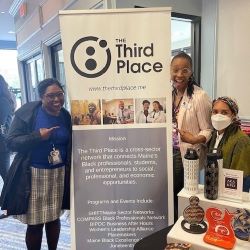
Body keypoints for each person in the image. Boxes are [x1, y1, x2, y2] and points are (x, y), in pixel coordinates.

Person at [0, 78, 72, 250]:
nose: (57, 100)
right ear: (41, 97)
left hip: (59, 174)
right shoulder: (28, 113)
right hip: (34, 175)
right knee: (36, 223)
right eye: (51, 96)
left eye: (60, 95)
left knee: (54, 218)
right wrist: (37, 136)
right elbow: (11, 142)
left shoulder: (64, 115)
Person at [171, 52, 212, 221]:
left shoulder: (199, 96)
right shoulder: (168, 94)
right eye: (175, 70)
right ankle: (172, 226)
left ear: (191, 72)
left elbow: (208, 129)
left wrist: (195, 139)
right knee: (170, 195)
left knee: (181, 195)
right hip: (165, 152)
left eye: (185, 70)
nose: (179, 75)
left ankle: (182, 227)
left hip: (185, 154)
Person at [208, 96, 250, 192]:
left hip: (230, 195)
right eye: (215, 111)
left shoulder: (242, 140)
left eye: (224, 112)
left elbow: (242, 180)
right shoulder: (215, 135)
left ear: (233, 115)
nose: (218, 116)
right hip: (215, 189)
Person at [0, 75, 16, 219]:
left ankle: (10, 206)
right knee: (5, 174)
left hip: (2, 144)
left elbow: (1, 120)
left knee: (7, 175)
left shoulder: (4, 101)